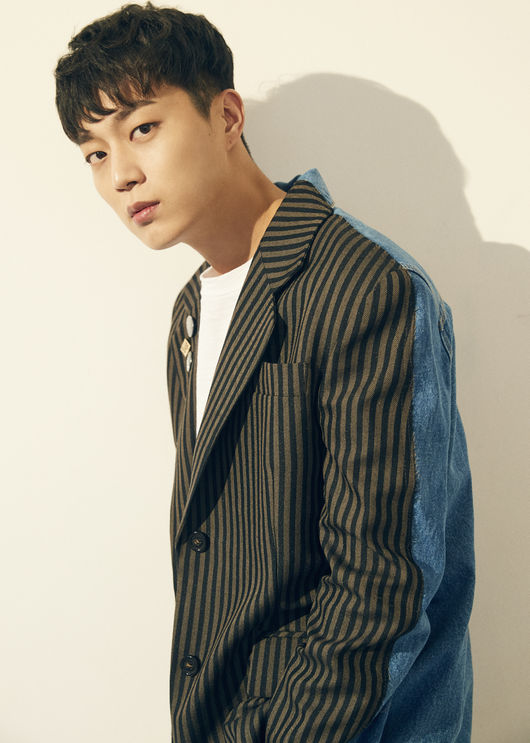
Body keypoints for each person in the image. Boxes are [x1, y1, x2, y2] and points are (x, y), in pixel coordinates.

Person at [54, 3, 475, 741]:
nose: (120, 174)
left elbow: (383, 585)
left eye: (142, 127)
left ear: (226, 117)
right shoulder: (192, 312)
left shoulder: (365, 284)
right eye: (93, 152)